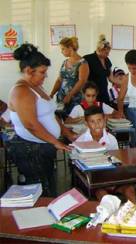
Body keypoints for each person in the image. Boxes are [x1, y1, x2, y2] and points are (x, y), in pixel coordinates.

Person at [8, 43, 74, 196]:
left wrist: (66, 133)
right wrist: (56, 142)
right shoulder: (21, 91)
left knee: (49, 186)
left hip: (43, 146)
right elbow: (31, 125)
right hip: (30, 149)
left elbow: (51, 115)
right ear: (29, 71)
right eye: (42, 72)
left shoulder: (37, 87)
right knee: (40, 191)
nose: (45, 76)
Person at [75, 106, 136, 202]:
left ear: (104, 120)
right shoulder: (80, 142)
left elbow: (117, 161)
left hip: (112, 177)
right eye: (92, 122)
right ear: (86, 124)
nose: (97, 125)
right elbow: (79, 168)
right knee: (104, 197)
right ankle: (110, 215)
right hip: (95, 181)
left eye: (99, 120)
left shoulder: (111, 139)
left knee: (130, 190)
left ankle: (133, 214)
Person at [50, 37, 89, 115]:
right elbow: (59, 80)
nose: (61, 52)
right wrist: (51, 94)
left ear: (70, 48)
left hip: (75, 99)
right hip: (62, 98)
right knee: (61, 120)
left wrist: (69, 95)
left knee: (75, 122)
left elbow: (82, 81)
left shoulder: (83, 63)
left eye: (63, 49)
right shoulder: (65, 62)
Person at [83, 34, 119, 105]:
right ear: (99, 49)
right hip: (91, 94)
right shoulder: (88, 59)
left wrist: (125, 82)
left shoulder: (107, 60)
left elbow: (111, 78)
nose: (108, 55)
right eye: (106, 53)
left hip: (104, 92)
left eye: (108, 53)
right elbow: (82, 79)